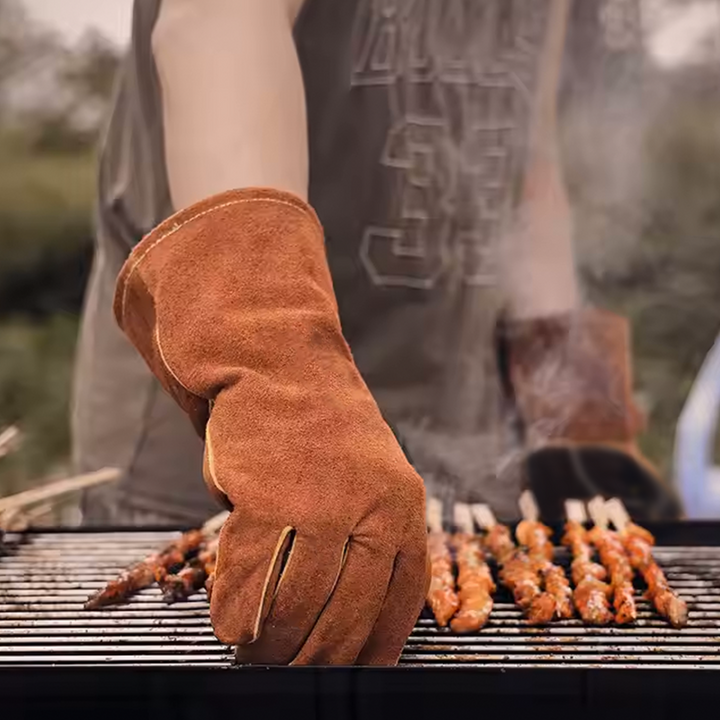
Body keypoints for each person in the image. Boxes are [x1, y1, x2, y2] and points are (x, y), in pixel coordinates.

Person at [71, 0, 678, 666]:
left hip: (451, 419)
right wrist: (277, 373)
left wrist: (579, 414)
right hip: (231, 412)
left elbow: (525, 160)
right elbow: (217, 21)